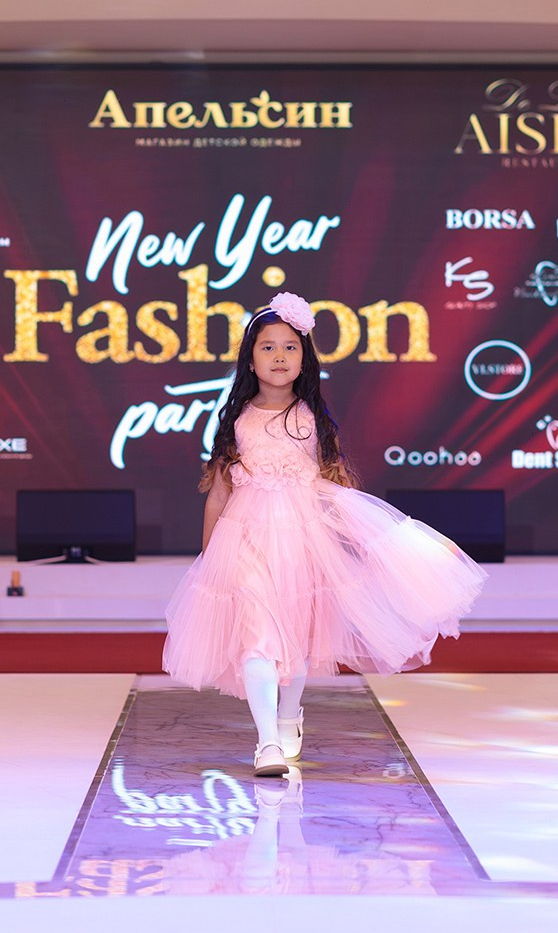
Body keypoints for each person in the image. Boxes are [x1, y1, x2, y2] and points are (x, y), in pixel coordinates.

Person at [163, 293, 486, 778]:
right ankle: (266, 743)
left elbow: (335, 492)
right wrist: (211, 558)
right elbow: (219, 494)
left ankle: (289, 715)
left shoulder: (312, 419)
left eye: (290, 347)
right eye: (267, 347)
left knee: (295, 638)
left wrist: (384, 542)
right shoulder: (236, 421)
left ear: (304, 358)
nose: (279, 356)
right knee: (257, 637)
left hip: (300, 543)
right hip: (245, 543)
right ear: (250, 359)